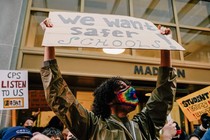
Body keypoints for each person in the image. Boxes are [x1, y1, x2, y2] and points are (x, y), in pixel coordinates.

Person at [40, 18, 177, 140]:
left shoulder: (143, 125)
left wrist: (166, 46)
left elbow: (163, 95)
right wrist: (49, 41)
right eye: (122, 88)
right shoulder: (92, 126)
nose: (130, 90)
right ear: (109, 99)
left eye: (129, 87)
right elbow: (60, 96)